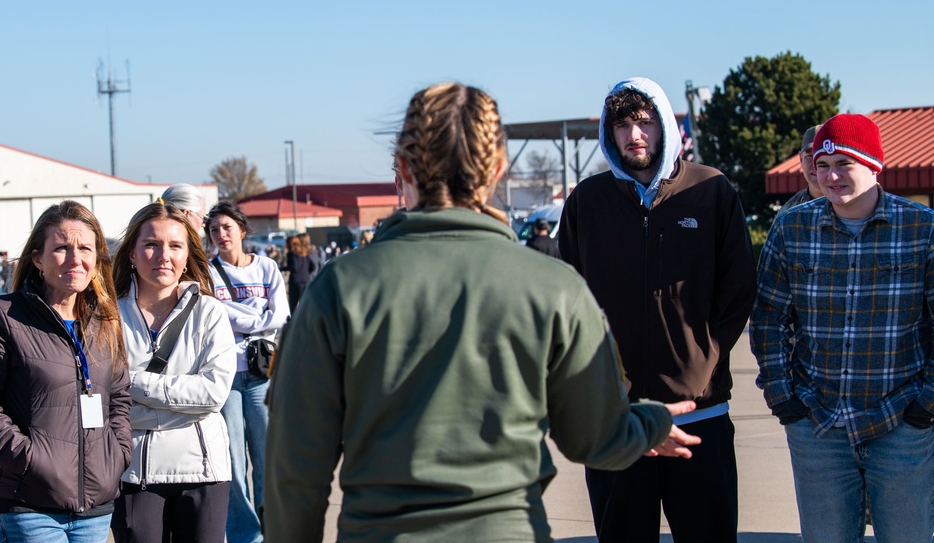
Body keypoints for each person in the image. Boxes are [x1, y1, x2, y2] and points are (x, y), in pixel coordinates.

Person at [263, 82, 701, 542]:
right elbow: (594, 437)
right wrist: (648, 424)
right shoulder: (555, 289)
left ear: (404, 169)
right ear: (496, 169)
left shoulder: (336, 290)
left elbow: (294, 467)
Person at [558, 77, 757, 542]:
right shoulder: (587, 201)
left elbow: (738, 288)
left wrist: (703, 360)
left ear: (665, 124)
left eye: (645, 122)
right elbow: (566, 300)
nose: (635, 135)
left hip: (699, 414)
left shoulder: (712, 192)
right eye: (622, 125)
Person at [750, 113, 934, 542]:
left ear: (874, 165)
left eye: (844, 165)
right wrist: (783, 398)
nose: (831, 176)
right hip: (818, 425)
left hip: (901, 424)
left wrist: (926, 406)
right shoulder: (791, 227)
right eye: (822, 166)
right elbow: (769, 317)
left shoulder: (921, 229)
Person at [0, 200, 131, 543]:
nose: (75, 258)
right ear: (37, 258)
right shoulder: (2, 316)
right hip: (29, 505)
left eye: (85, 248)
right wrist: (30, 460)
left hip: (94, 510)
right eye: (61, 247)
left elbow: (119, 395)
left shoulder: (105, 323)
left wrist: (117, 453)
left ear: (96, 261)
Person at [110, 202, 236, 543]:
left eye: (175, 246)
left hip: (204, 470)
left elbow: (212, 394)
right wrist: (182, 409)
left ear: (187, 254)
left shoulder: (210, 312)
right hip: (133, 472)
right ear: (132, 254)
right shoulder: (107, 317)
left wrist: (133, 381)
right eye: (151, 244)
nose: (163, 255)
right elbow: (103, 396)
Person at [205, 201, 290, 543]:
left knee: (267, 455)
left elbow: (281, 316)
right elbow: (213, 312)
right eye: (214, 230)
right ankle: (245, 535)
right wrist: (256, 316)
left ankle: (273, 529)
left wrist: (237, 315)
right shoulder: (208, 271)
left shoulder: (267, 267)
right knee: (233, 462)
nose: (221, 235)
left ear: (242, 229)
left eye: (227, 227)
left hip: (262, 373)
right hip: (224, 373)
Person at [777, 124, 825, 213]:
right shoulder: (788, 213)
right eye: (810, 156)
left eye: (822, 155)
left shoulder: (854, 206)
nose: (816, 164)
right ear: (801, 159)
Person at [284, 233, 318, 310]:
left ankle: (293, 321)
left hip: (296, 281)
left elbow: (294, 267)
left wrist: (282, 268)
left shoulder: (291, 253)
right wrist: (306, 273)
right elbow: (312, 266)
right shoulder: (304, 252)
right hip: (306, 280)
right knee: (305, 304)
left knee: (293, 304)